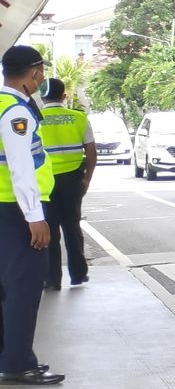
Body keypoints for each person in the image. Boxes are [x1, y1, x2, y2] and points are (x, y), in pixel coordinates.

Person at [0, 45, 63, 385]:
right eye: (40, 73)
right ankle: (18, 363)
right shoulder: (14, 113)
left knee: (4, 287)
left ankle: (7, 356)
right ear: (35, 73)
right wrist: (34, 216)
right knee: (23, 288)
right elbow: (21, 167)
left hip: (5, 210)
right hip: (16, 212)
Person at [39, 77, 95, 289]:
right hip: (73, 180)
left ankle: (52, 279)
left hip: (46, 182)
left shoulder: (36, 119)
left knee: (50, 230)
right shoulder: (79, 118)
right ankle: (78, 274)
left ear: (42, 96)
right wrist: (86, 178)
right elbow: (91, 152)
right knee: (72, 226)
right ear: (64, 96)